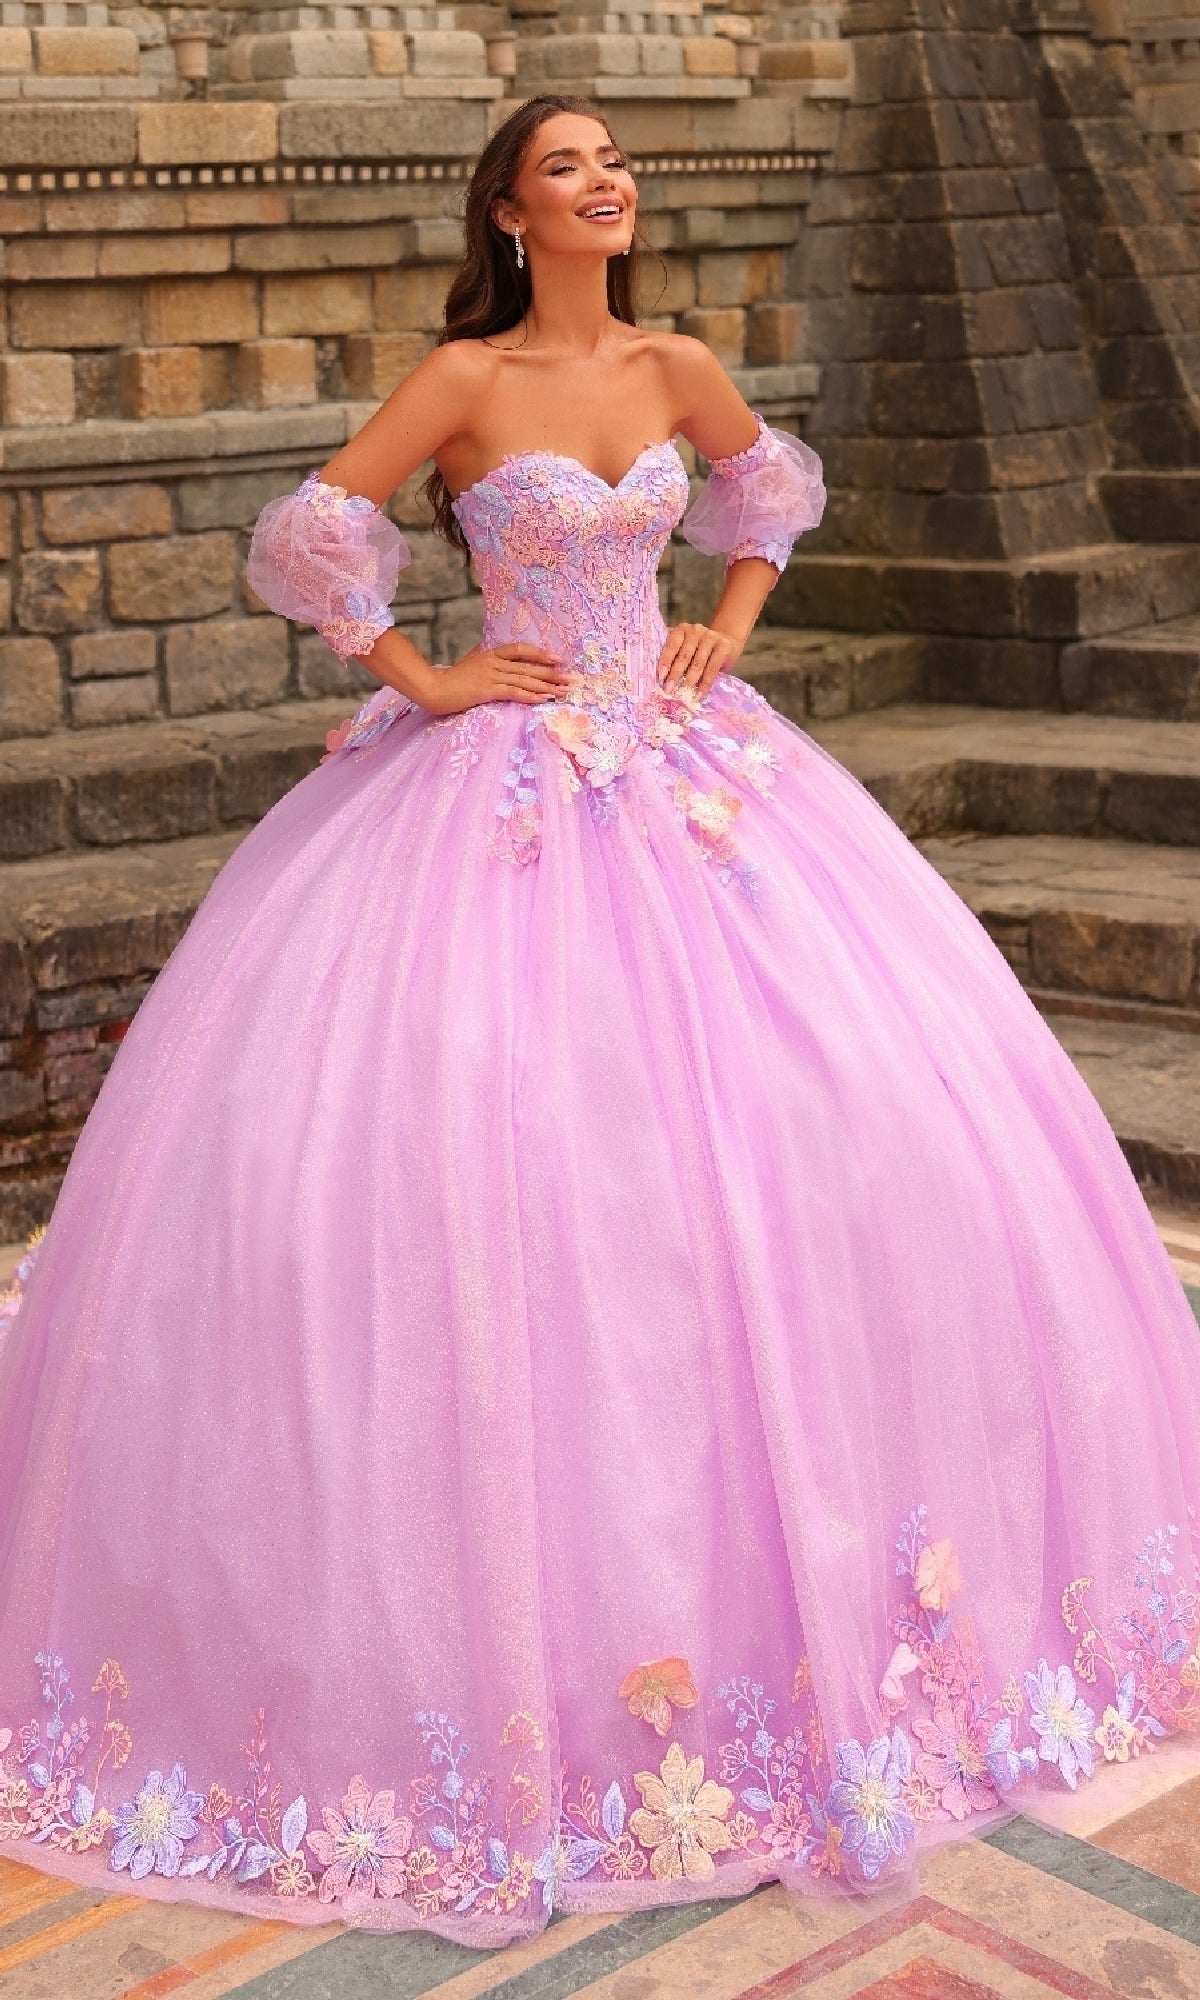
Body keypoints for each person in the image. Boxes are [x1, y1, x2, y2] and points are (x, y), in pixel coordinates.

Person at [0, 91, 1198, 1953]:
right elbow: (311, 531)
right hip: (492, 789)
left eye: (618, 156)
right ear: (507, 204)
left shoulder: (678, 358)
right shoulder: (464, 379)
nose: (608, 179)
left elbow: (766, 491)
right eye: (568, 162)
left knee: (819, 1125)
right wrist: (425, 673)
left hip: (696, 769)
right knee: (481, 1154)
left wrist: (731, 617)